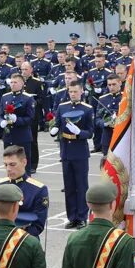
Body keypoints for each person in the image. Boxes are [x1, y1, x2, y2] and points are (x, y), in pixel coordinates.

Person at [53, 81, 94, 229]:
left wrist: (79, 133)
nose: (73, 94)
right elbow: (57, 123)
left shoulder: (87, 109)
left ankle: (82, 217)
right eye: (70, 91)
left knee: (81, 186)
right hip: (66, 150)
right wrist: (55, 129)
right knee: (69, 186)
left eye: (75, 91)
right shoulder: (62, 107)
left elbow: (90, 132)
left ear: (82, 91)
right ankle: (72, 216)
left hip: (80, 151)